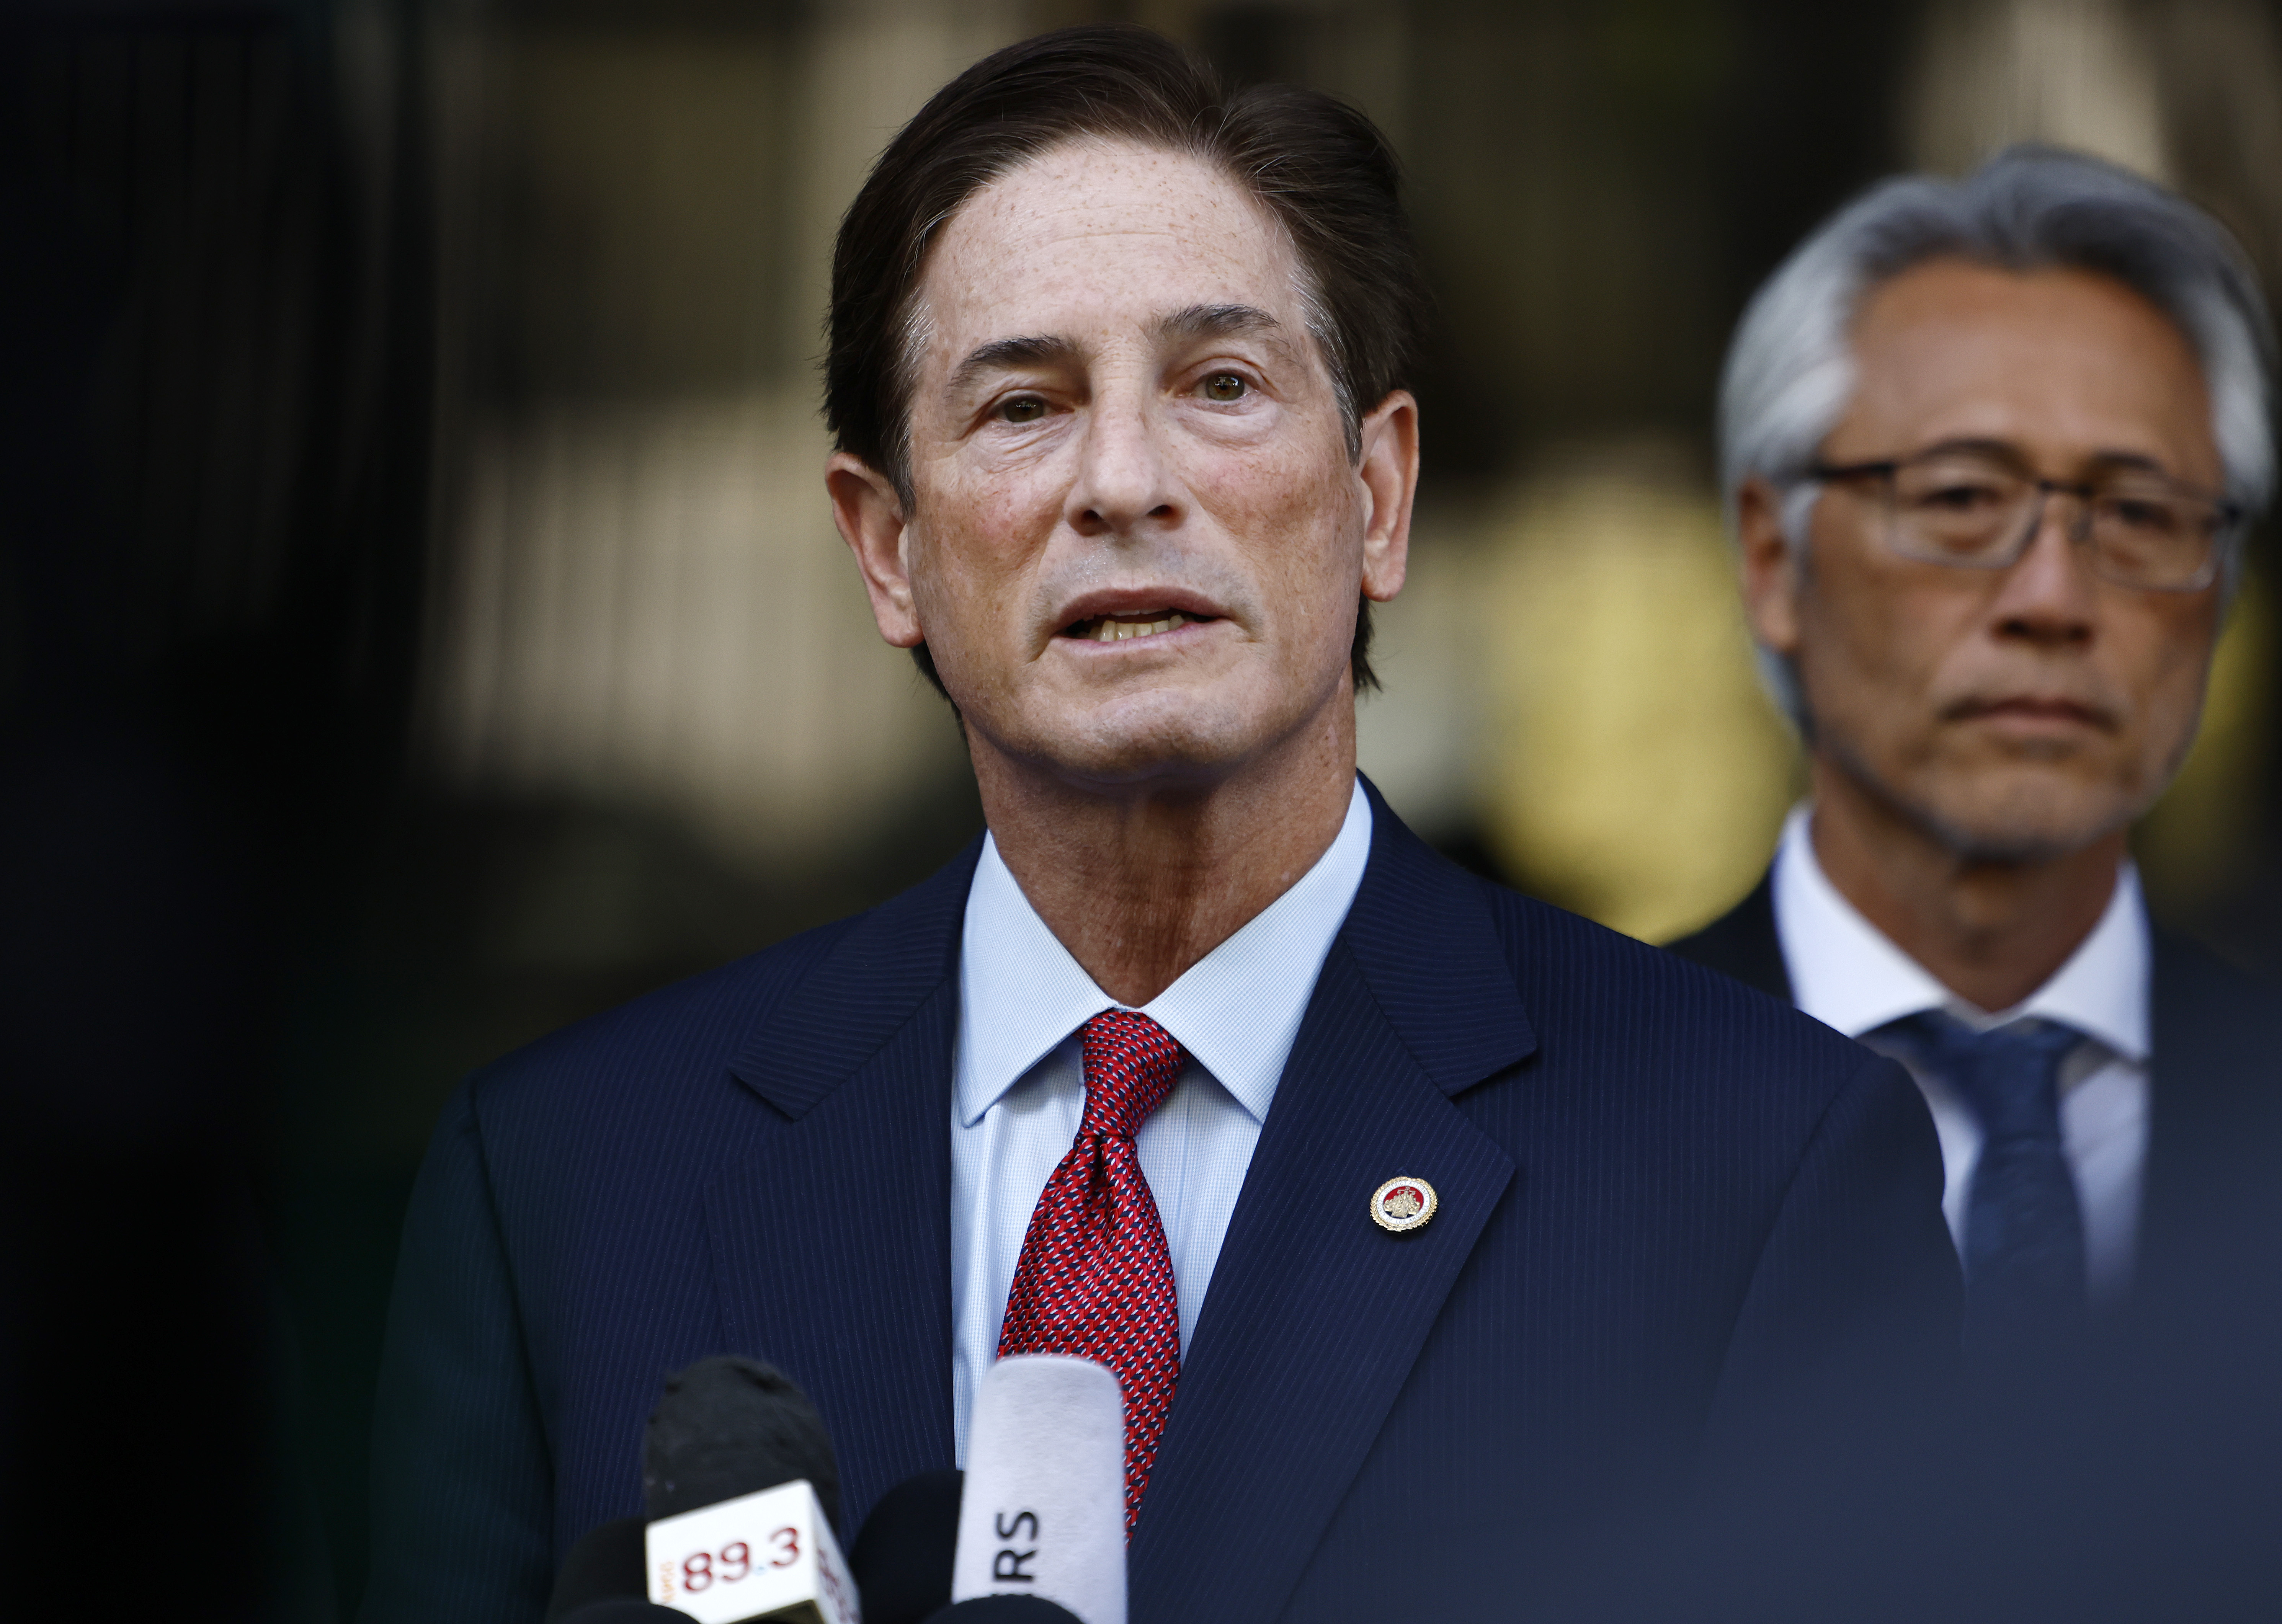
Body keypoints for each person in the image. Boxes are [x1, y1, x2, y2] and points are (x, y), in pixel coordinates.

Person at [358, 28, 1958, 1623]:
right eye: (1022, 406)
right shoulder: (570, 1183)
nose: (1123, 479)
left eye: (1220, 384)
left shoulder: (1750, 1169)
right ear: (886, 546)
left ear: (1378, 496)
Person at [1669, 147, 2282, 1351]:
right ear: (1773, 560)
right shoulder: (1559, 1131)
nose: (2050, 596)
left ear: (2221, 589)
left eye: (2141, 516)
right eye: (1958, 499)